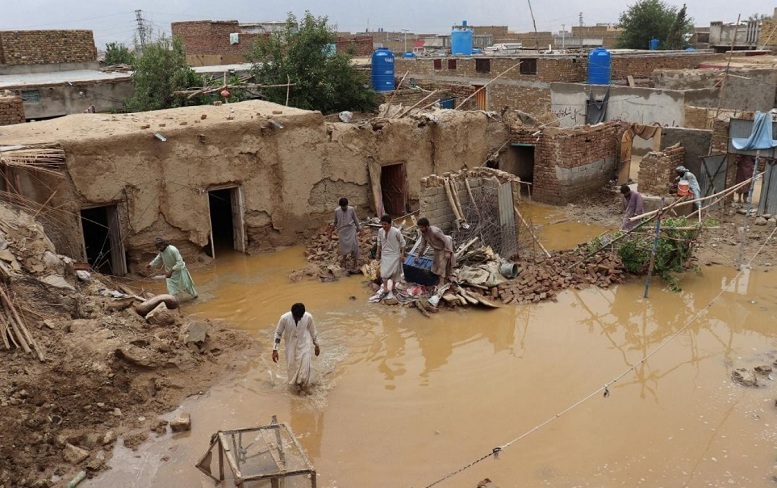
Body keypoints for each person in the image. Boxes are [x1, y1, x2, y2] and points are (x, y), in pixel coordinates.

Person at [272, 303, 320, 393]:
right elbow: (278, 333)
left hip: (305, 346)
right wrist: (275, 350)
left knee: (305, 371)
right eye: (296, 317)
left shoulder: (308, 317)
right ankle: (296, 389)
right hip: (290, 348)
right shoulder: (284, 318)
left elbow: (313, 331)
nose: (298, 319)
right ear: (292, 313)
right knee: (292, 370)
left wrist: (316, 345)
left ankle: (304, 389)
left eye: (300, 317)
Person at [414, 217, 456, 285]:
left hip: (445, 246)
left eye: (422, 227)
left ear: (427, 226)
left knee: (441, 265)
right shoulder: (424, 234)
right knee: (437, 264)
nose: (420, 229)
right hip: (437, 249)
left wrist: (447, 251)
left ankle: (441, 282)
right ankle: (443, 277)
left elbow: (445, 240)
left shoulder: (435, 231)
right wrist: (418, 255)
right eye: (419, 227)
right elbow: (422, 246)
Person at [376, 214, 406, 300]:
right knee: (384, 273)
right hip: (385, 254)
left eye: (385, 224)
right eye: (382, 224)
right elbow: (379, 242)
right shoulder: (380, 231)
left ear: (390, 224)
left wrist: (402, 255)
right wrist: (377, 253)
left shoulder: (396, 232)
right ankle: (385, 288)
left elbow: (403, 243)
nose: (383, 226)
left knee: (395, 272)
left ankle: (393, 287)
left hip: (395, 255)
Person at [329, 197, 360, 273]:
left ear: (347, 205)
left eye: (345, 206)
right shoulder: (336, 211)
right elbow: (335, 222)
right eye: (342, 207)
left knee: (354, 245)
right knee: (343, 246)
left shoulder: (351, 209)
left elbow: (355, 219)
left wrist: (359, 227)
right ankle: (344, 260)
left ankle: (355, 261)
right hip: (342, 231)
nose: (344, 208)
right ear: (340, 206)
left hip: (351, 229)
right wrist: (330, 232)